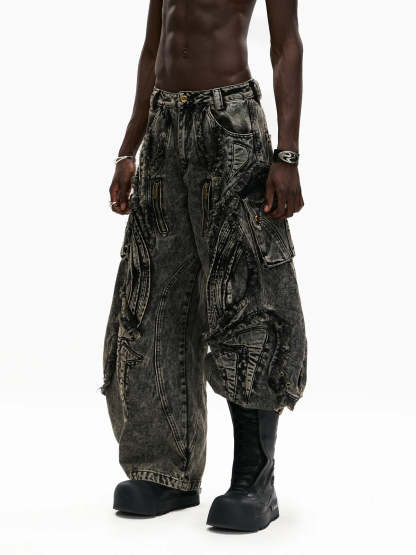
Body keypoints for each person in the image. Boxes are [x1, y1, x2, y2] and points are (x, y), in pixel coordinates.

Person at [101, 0, 307, 532]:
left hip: (229, 123)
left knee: (244, 298)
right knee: (152, 295)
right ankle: (166, 472)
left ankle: (254, 480)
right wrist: (128, 148)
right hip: (165, 126)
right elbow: (153, 47)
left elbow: (286, 45)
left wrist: (287, 155)